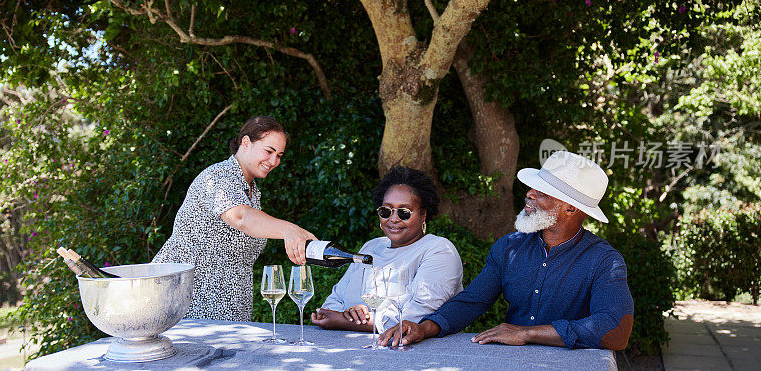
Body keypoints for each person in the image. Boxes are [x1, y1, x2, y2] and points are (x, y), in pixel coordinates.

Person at [378, 151, 634, 350]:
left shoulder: (604, 261)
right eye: (533, 188)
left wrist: (527, 333)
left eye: (542, 192)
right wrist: (425, 328)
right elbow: (472, 301)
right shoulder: (509, 247)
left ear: (571, 209)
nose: (529, 194)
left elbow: (615, 331)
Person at [152, 116, 317, 321]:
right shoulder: (220, 176)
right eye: (269, 151)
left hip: (230, 303)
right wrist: (288, 230)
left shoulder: (252, 192)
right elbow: (241, 217)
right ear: (245, 142)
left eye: (279, 155)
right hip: (191, 299)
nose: (274, 161)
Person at [310, 166, 463, 333]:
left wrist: (349, 321)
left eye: (404, 212)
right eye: (386, 211)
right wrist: (350, 313)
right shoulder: (371, 246)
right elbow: (332, 303)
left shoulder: (439, 251)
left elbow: (417, 317)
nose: (393, 219)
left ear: (423, 215)